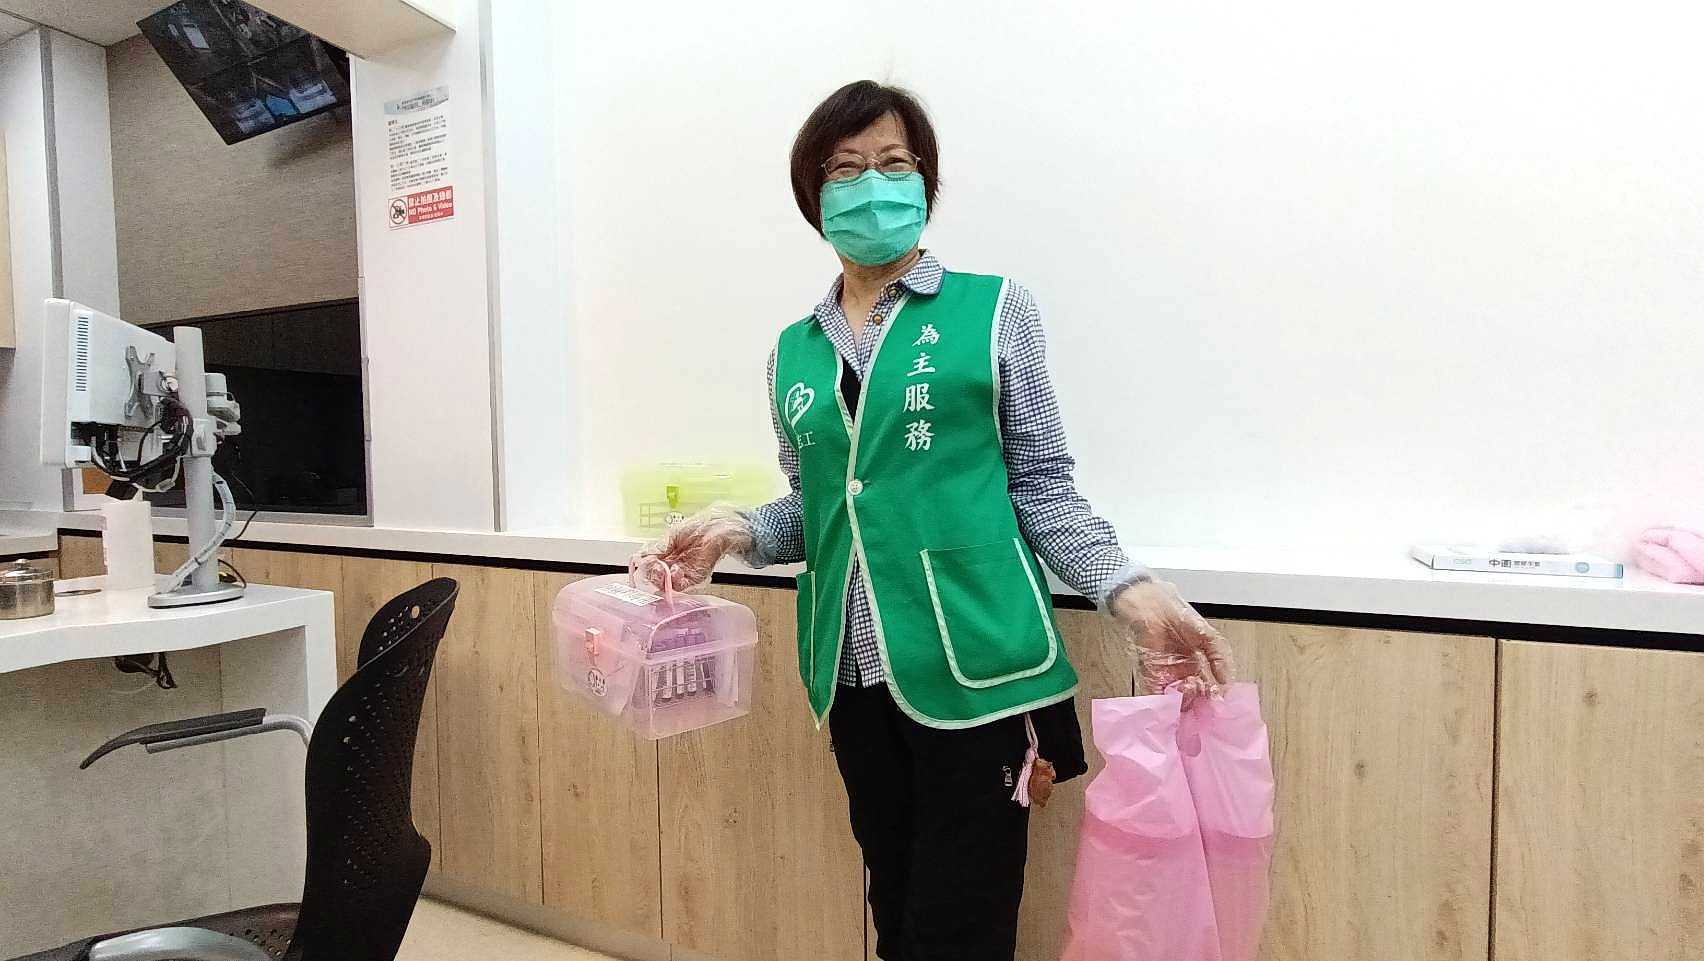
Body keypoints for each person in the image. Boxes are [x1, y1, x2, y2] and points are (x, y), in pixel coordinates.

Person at [640, 80, 1232, 961]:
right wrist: (738, 529)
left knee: (962, 930)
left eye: (893, 163)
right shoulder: (792, 351)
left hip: (976, 665)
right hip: (851, 674)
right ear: (813, 196)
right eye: (845, 169)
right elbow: (819, 508)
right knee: (898, 910)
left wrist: (1128, 589)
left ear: (926, 181)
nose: (871, 185)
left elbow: (1042, 484)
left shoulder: (994, 309)